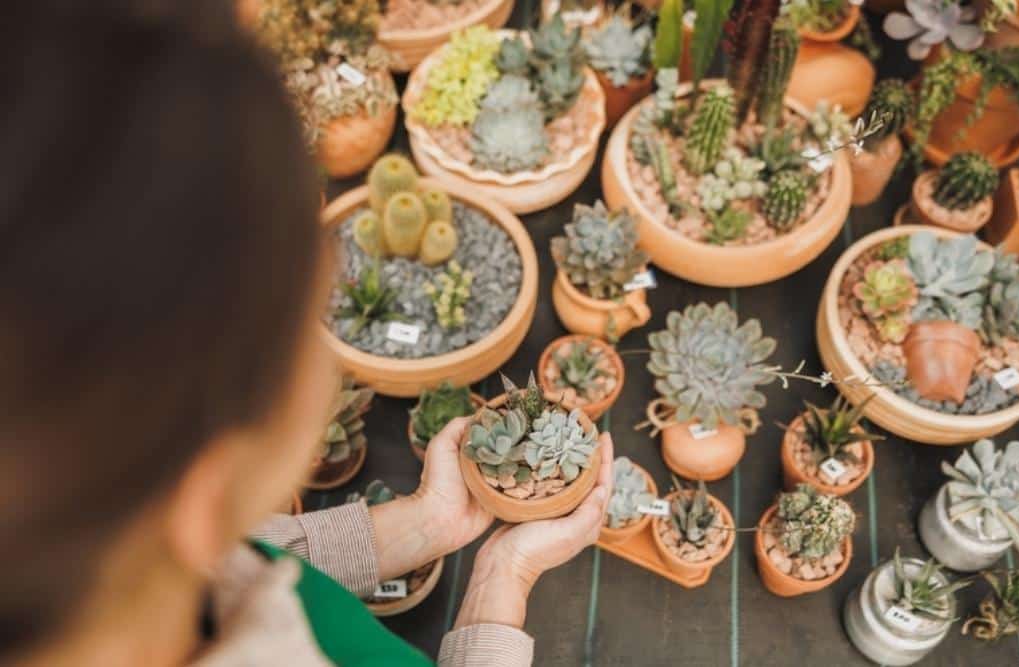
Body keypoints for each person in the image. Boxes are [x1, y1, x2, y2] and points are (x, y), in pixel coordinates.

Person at [0, 3, 612, 666]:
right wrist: (503, 584)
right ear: (208, 482)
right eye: (307, 317)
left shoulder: (116, 558)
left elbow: (238, 552)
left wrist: (426, 525)